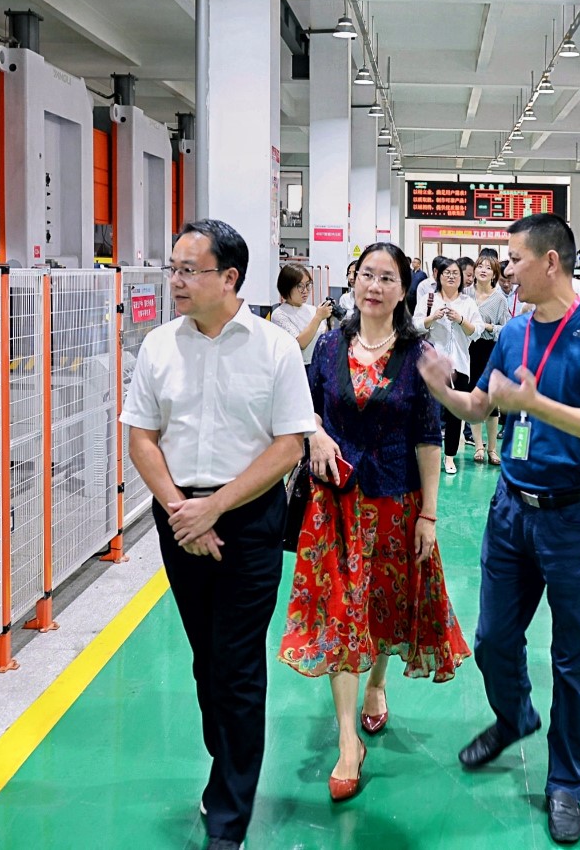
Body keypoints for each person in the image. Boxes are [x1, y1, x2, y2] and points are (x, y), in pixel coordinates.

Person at [418, 213, 580, 846]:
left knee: (573, 659)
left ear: (551, 262)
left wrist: (537, 405)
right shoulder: (513, 332)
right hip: (512, 509)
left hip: (574, 516)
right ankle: (514, 716)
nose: (505, 269)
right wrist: (444, 391)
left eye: (514, 260)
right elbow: (482, 406)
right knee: (491, 639)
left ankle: (565, 783)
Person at [121, 220, 316, 850]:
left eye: (189, 270)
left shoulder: (274, 348)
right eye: (173, 269)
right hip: (179, 517)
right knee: (207, 659)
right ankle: (225, 757)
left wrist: (217, 508)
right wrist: (183, 509)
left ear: (229, 278)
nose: (175, 281)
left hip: (249, 520)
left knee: (237, 663)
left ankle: (230, 813)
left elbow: (289, 445)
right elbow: (142, 437)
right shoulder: (159, 346)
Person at [278, 242, 471, 803]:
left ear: (404, 289)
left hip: (395, 502)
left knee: (383, 604)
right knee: (342, 611)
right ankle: (347, 742)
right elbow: (306, 407)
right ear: (354, 280)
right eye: (367, 275)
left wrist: (429, 513)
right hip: (334, 503)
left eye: (388, 278)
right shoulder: (330, 345)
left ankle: (377, 684)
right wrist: (315, 432)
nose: (375, 286)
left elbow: (428, 437)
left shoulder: (419, 354)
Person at [420, 256, 481, 475]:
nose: (452, 276)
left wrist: (461, 319)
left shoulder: (468, 302)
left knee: (456, 414)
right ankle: (430, 456)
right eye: (447, 273)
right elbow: (415, 326)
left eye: (456, 273)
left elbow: (477, 331)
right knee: (431, 413)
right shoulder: (428, 298)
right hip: (434, 366)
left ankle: (450, 457)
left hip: (460, 365)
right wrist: (432, 318)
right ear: (438, 276)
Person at [467, 255, 510, 465]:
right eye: (480, 266)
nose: (483, 270)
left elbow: (506, 329)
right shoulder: (465, 294)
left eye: (488, 268)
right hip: (467, 349)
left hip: (489, 349)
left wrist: (488, 327)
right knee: (473, 397)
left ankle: (492, 449)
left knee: (491, 400)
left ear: (494, 274)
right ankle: (478, 446)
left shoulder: (499, 299)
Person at [271, 263, 334, 363]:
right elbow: (300, 344)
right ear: (286, 287)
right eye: (300, 286)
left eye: (308, 285)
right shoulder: (279, 314)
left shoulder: (312, 309)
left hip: (318, 363)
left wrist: (329, 321)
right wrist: (318, 317)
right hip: (298, 366)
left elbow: (322, 337)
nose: (305, 291)